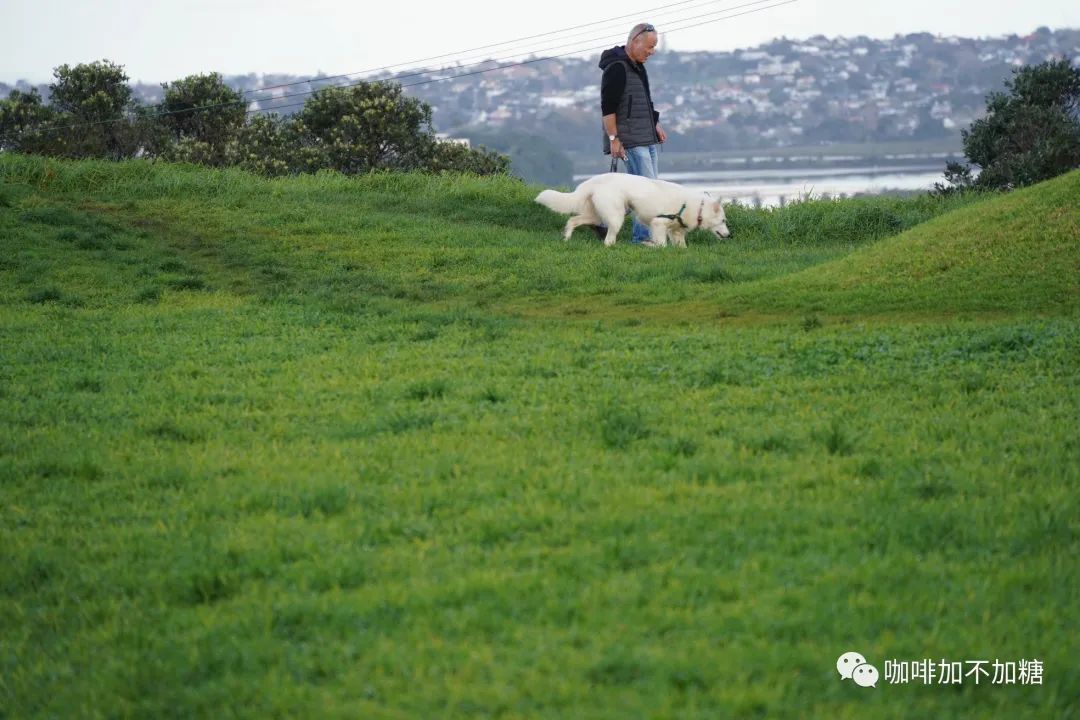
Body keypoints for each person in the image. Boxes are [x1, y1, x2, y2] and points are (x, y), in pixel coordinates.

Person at [598, 22, 668, 244]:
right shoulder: (617, 68)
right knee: (646, 192)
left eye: (654, 47)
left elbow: (643, 101)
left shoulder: (637, 67)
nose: (652, 51)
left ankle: (601, 221)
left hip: (646, 136)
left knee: (651, 189)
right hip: (630, 140)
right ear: (635, 41)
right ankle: (643, 239)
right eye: (649, 47)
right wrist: (613, 139)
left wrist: (654, 125)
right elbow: (608, 108)